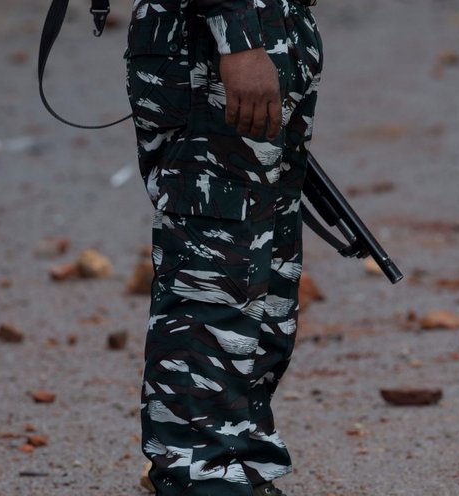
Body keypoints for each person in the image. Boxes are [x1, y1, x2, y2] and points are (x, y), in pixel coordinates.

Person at [124, 0, 322, 494]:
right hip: (215, 42)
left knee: (265, 286)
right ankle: (202, 479)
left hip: (267, 28)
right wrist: (238, 38)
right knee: (213, 284)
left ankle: (242, 473)